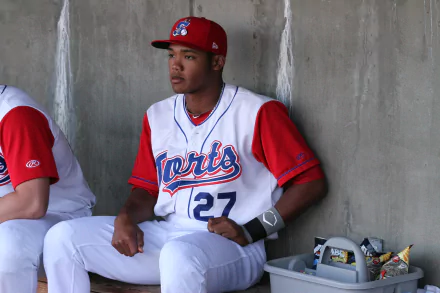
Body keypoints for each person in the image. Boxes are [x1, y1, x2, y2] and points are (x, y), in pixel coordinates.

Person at [43, 16, 327, 293]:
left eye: (189, 56)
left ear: (217, 62)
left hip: (235, 248)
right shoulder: (158, 116)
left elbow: (311, 183)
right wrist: (126, 217)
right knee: (62, 238)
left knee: (179, 255)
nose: (175, 65)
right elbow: (146, 189)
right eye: (171, 55)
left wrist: (253, 230)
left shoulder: (257, 112)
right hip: (168, 237)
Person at [0, 85, 96, 293]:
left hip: (60, 219)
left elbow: (32, 203)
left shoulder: (16, 114)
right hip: (8, 216)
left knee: (7, 243)